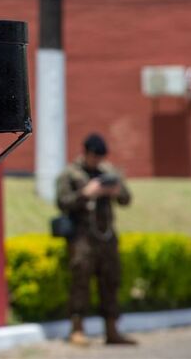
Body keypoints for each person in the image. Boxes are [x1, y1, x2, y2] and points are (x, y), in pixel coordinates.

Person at [56, 132, 135, 346]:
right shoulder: (70, 174)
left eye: (101, 157)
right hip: (82, 237)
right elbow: (62, 202)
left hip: (106, 236)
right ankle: (77, 329)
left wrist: (116, 191)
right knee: (80, 281)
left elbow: (126, 199)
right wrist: (86, 193)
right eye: (94, 156)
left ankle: (112, 330)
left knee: (111, 281)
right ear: (86, 153)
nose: (97, 160)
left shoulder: (107, 172)